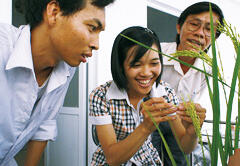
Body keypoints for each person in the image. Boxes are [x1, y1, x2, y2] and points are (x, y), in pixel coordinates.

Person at [0, 0, 115, 165]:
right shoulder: (2, 46)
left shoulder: (66, 68)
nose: (96, 45)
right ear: (54, 13)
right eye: (91, 28)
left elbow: (44, 123)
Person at [89, 26, 206, 165]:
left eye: (154, 63)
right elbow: (112, 159)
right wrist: (146, 127)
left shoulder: (165, 92)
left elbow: (184, 147)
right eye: (136, 65)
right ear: (120, 66)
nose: (146, 73)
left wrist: (193, 132)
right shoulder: (101, 96)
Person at [151, 1, 224, 166]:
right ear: (179, 27)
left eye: (209, 30)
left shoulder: (208, 69)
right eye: (194, 24)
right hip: (149, 118)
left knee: (180, 161)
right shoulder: (157, 53)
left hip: (178, 123)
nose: (200, 33)